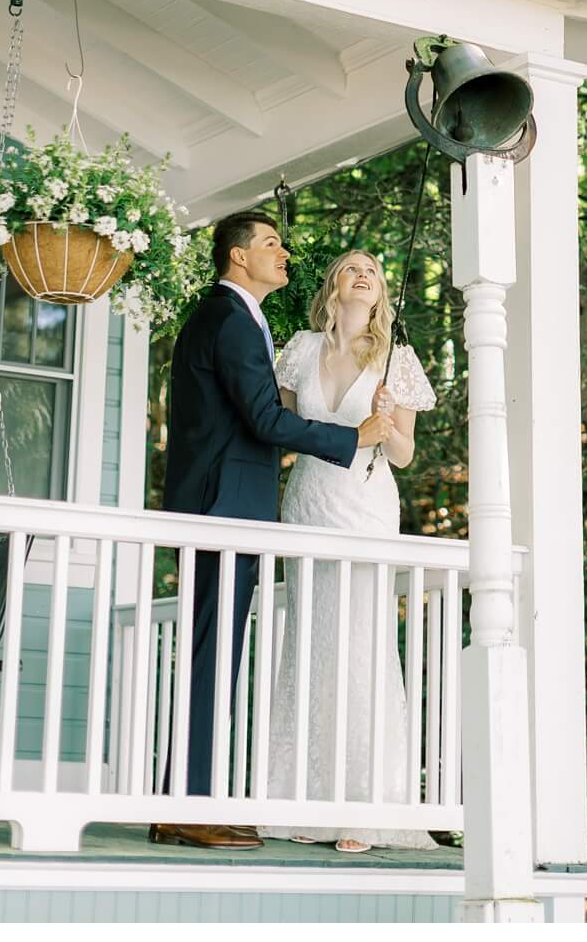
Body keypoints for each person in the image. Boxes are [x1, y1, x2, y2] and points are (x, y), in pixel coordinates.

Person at [153, 212, 391, 850]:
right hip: (222, 507)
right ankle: (185, 807)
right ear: (237, 257)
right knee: (210, 655)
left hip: (232, 505)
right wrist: (352, 437)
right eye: (270, 244)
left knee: (217, 653)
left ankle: (184, 797)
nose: (283, 253)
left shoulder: (239, 318)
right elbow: (263, 418)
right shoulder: (228, 319)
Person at [261, 250, 438, 853]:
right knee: (311, 644)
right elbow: (285, 432)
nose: (364, 274)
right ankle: (308, 800)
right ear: (334, 283)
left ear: (381, 290)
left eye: (373, 269)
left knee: (362, 646)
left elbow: (405, 457)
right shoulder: (302, 350)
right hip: (308, 501)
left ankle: (366, 808)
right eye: (352, 266)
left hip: (366, 507)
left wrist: (389, 422)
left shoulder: (397, 360)